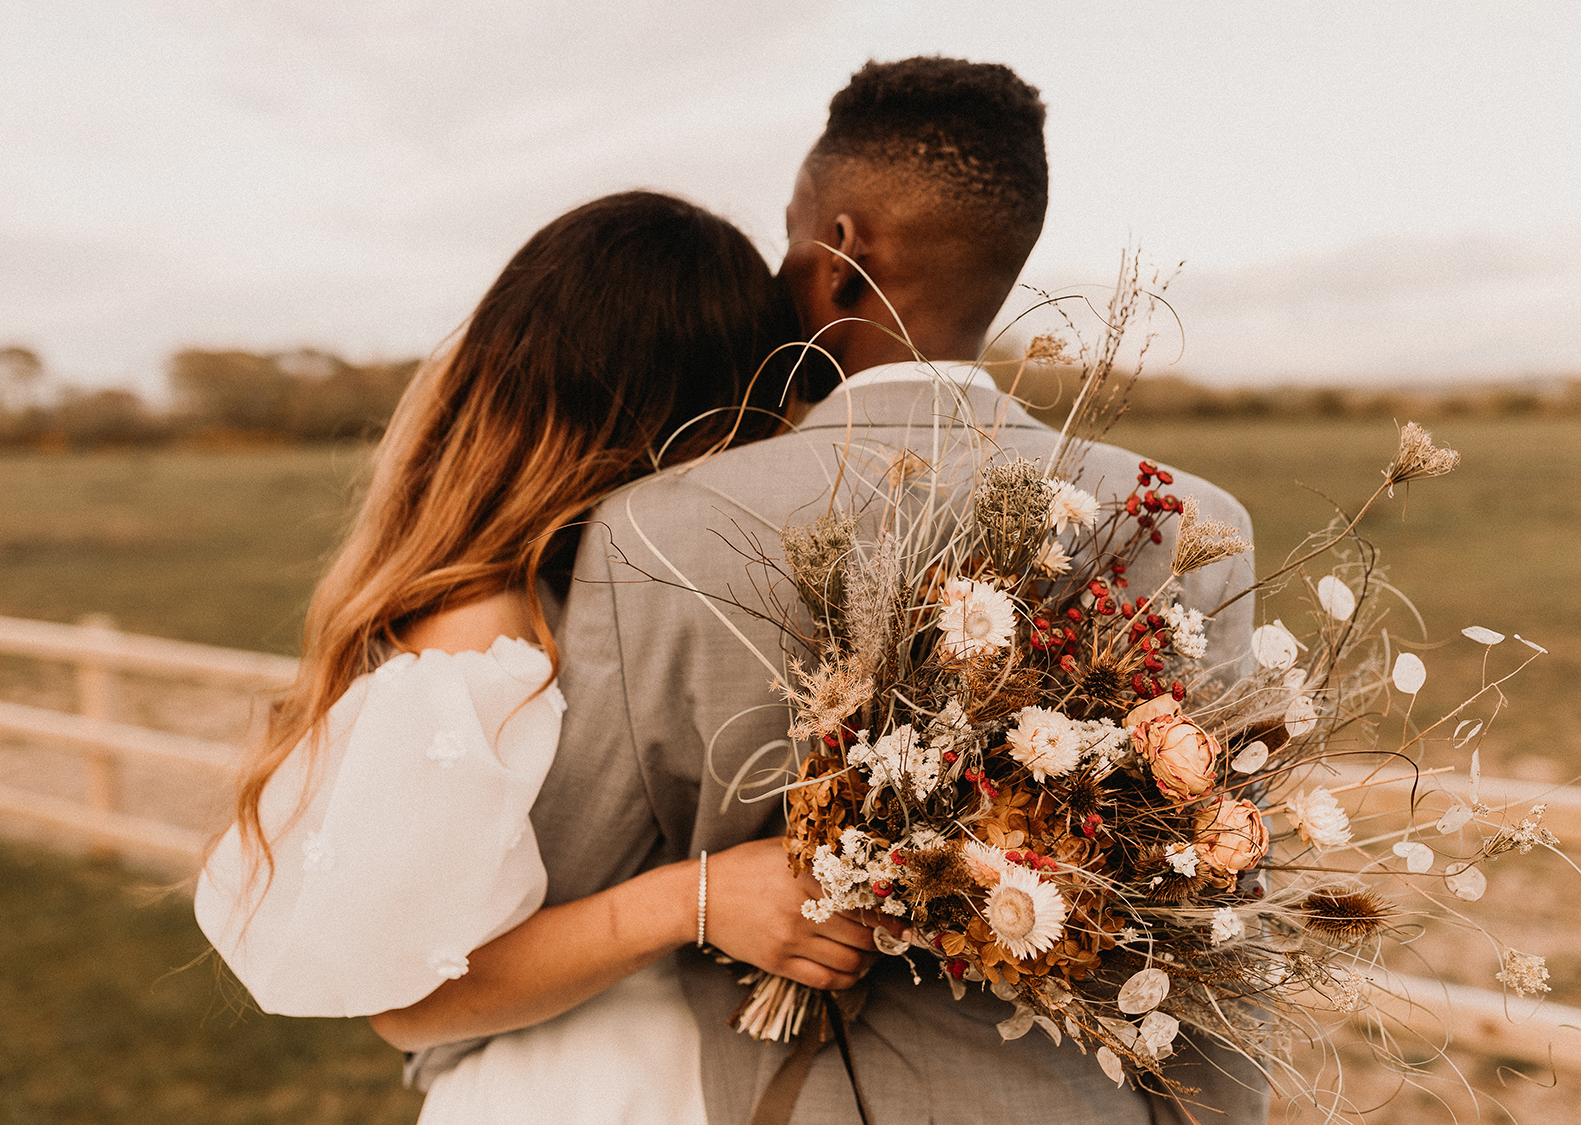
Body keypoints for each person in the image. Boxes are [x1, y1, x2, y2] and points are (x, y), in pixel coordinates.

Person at [508, 58, 1265, 1124]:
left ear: (840, 249)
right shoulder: (1188, 527)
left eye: (789, 233)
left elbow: (564, 889)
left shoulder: (652, 530)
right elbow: (1226, 908)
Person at [194, 190, 861, 1125]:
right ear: (694, 409)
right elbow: (410, 1002)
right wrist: (695, 900)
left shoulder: (617, 591)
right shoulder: (487, 634)